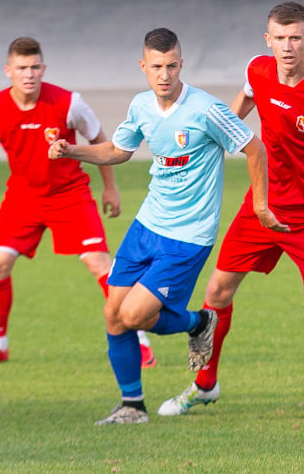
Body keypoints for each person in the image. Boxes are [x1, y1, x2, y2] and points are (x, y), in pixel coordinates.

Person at [49, 27, 282, 425]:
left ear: (181, 65)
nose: (164, 75)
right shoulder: (141, 106)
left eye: (172, 66)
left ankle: (198, 321)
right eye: (156, 66)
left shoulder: (206, 109)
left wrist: (260, 205)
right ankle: (132, 406)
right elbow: (118, 150)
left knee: (135, 315)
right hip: (147, 226)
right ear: (143, 66)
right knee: (112, 313)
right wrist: (73, 151)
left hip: (187, 236)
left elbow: (253, 146)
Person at [158, 2, 304, 422]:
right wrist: (213, 141)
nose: (287, 46)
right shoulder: (258, 69)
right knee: (216, 294)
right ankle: (204, 384)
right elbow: (244, 101)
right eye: (280, 37)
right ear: (267, 39)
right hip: (263, 203)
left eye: (295, 38)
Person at [0, 36, 155, 368]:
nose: (29, 74)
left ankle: (139, 341)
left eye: (35, 67)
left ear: (44, 68)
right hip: (22, 199)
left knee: (99, 264)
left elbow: (100, 141)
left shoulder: (68, 103)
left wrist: (109, 188)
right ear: (8, 70)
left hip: (70, 196)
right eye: (22, 68)